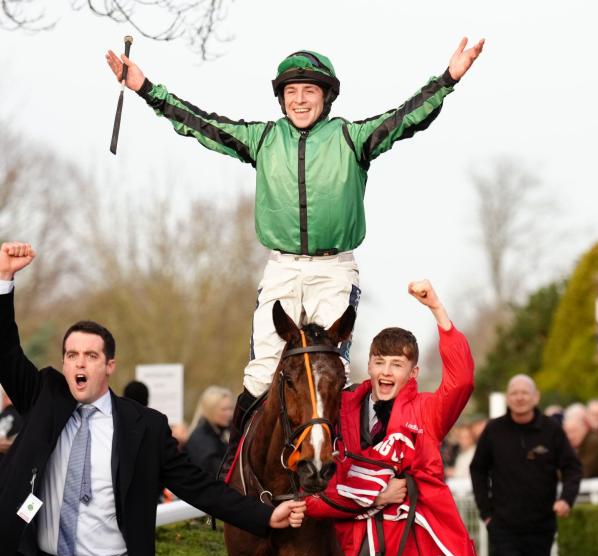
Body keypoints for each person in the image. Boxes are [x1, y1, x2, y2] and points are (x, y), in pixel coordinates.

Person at [104, 36, 486, 469]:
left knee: (331, 371)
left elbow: (404, 119)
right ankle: (233, 471)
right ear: (281, 99)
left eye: (309, 91)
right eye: (291, 92)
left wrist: (449, 77)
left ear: (326, 96)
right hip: (282, 268)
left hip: (334, 270)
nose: (299, 100)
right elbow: (201, 125)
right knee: (261, 373)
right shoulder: (263, 139)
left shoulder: (351, 137)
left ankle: (342, 470)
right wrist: (146, 88)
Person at [0, 242, 306, 556]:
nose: (80, 362)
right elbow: (1, 349)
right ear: (63, 363)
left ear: (109, 365)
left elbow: (201, 488)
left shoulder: (143, 427)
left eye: (91, 355)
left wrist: (266, 514)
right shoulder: (44, 396)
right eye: (72, 355)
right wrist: (3, 278)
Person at [304, 280, 491, 556]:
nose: (386, 372)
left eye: (396, 364)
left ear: (413, 373)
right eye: (379, 362)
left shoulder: (427, 412)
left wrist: (436, 308)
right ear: (369, 365)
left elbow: (461, 381)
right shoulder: (341, 408)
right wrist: (376, 495)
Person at [470, 374, 583, 556]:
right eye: (514, 392)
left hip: (541, 526)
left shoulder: (552, 430)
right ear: (507, 397)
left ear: (536, 396)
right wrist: (486, 513)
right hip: (503, 526)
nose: (519, 397)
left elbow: (572, 468)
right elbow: (478, 469)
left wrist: (566, 499)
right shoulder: (494, 430)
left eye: (525, 392)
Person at [183, 386, 234, 477]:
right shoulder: (202, 438)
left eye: (231, 408)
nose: (230, 413)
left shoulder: (222, 432)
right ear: (210, 410)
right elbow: (218, 470)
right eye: (224, 409)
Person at [564, 405, 598, 479]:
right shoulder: (570, 445)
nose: (570, 436)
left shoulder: (593, 442)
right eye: (566, 432)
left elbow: (583, 472)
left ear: (584, 428)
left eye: (573, 431)